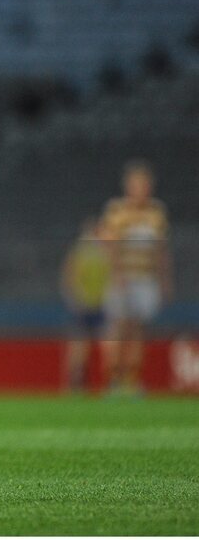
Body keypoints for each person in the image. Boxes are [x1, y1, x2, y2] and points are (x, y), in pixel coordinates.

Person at [99, 161, 173, 396]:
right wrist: (117, 274)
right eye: (137, 185)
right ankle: (114, 379)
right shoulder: (117, 210)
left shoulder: (156, 213)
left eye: (145, 185)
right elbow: (108, 246)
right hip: (123, 278)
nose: (142, 189)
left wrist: (164, 279)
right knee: (119, 328)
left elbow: (161, 250)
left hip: (145, 278)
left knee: (139, 329)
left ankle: (132, 380)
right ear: (129, 187)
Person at [59, 218, 111, 393]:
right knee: (82, 347)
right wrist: (77, 298)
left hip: (96, 304)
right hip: (88, 304)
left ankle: (82, 384)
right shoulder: (86, 251)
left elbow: (69, 276)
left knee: (96, 346)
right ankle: (77, 384)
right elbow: (71, 276)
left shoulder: (97, 251)